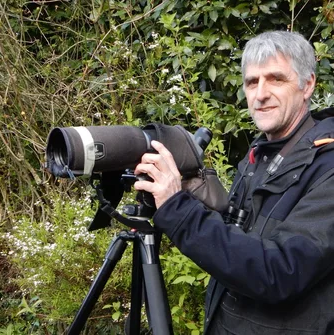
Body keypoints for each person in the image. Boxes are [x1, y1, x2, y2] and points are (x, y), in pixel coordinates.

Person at [134, 30, 334, 334]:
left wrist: (179, 211)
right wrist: (201, 199)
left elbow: (279, 271)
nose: (261, 93)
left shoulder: (328, 166)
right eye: (252, 82)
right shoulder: (260, 153)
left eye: (275, 79)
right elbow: (243, 243)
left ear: (307, 85)